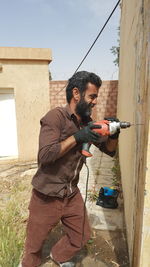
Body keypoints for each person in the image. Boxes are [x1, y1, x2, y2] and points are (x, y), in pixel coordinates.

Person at [21, 71, 119, 267]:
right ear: (76, 93)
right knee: (34, 246)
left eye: (96, 97)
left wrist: (113, 133)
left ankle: (58, 257)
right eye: (92, 96)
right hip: (46, 194)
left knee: (81, 235)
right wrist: (77, 137)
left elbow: (109, 152)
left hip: (71, 193)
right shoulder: (55, 117)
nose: (95, 102)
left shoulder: (87, 123)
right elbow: (45, 155)